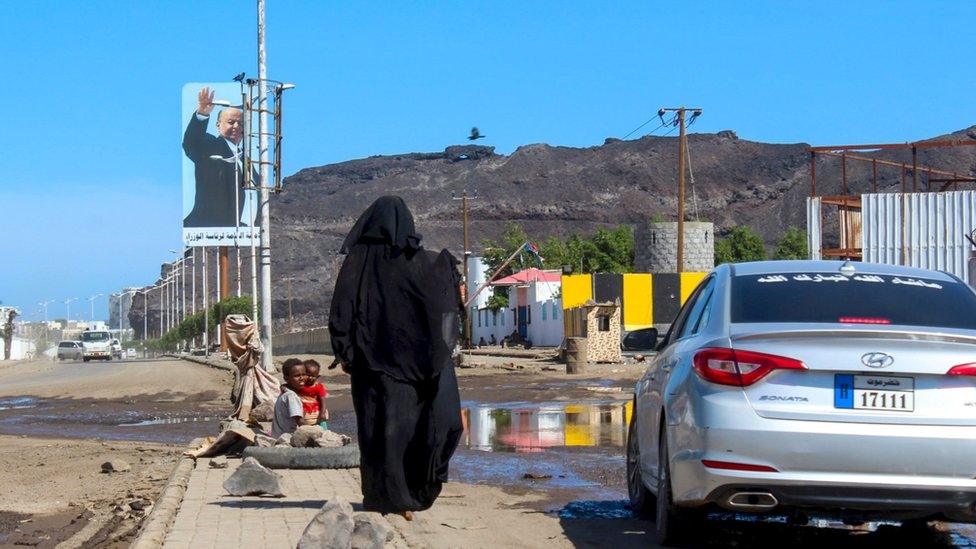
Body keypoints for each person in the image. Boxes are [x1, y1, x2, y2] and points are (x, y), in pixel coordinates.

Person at [329, 196, 464, 521]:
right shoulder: (422, 263)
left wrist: (345, 351)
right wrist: (451, 273)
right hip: (416, 368)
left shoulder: (358, 261)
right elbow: (442, 307)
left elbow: (341, 309)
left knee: (376, 430)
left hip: (370, 365)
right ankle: (410, 493)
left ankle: (380, 496)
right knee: (410, 429)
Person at [182, 86, 247, 228]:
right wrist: (202, 115)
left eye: (240, 123)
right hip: (204, 224)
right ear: (218, 125)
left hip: (233, 226)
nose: (236, 126)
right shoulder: (209, 146)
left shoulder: (246, 158)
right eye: (231, 122)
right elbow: (191, 142)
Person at [271, 359, 307, 437]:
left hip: (277, 436)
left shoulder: (285, 392)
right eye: (297, 376)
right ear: (286, 378)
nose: (302, 378)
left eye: (304, 374)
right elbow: (300, 421)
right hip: (286, 439)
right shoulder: (291, 396)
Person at [298, 359, 329, 429]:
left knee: (322, 428)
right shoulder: (299, 385)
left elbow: (323, 402)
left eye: (313, 376)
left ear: (317, 376)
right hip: (304, 413)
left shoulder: (318, 387)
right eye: (308, 375)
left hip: (316, 412)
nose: (310, 378)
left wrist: (322, 413)